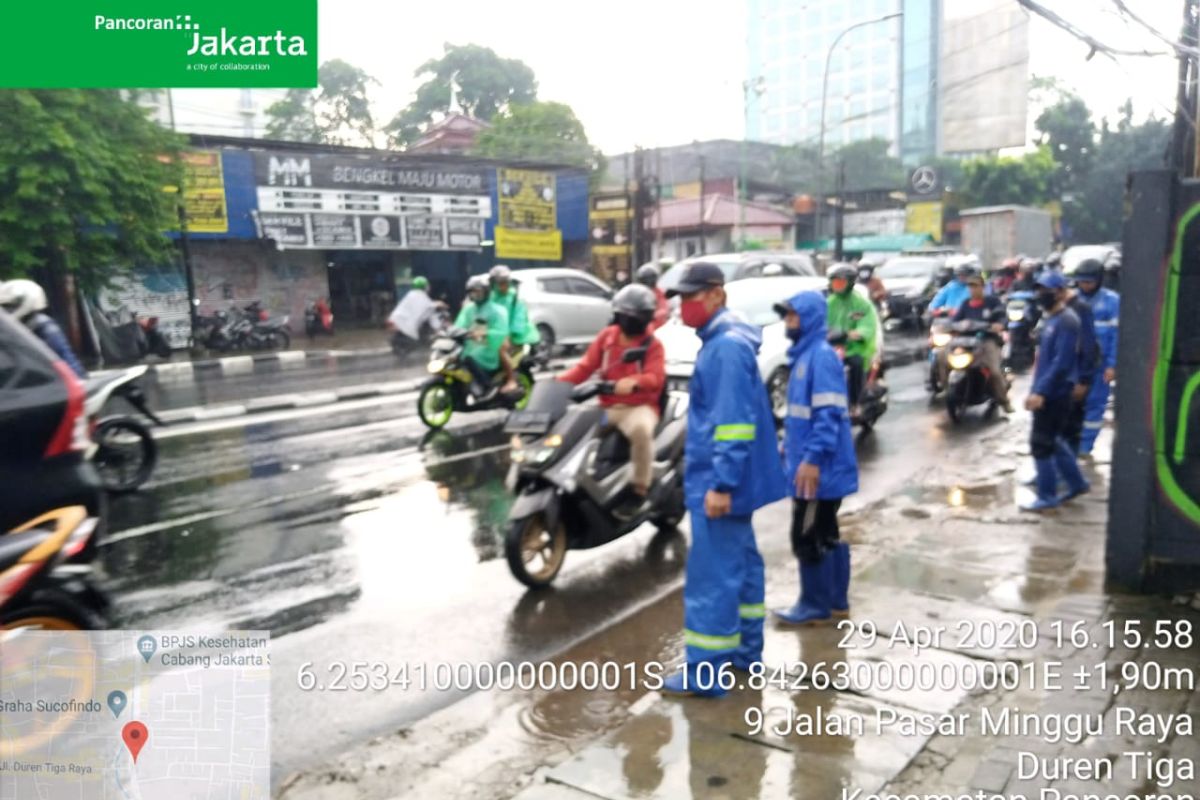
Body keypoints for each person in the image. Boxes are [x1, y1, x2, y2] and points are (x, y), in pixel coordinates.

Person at [661, 261, 787, 697]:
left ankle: (706, 674)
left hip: (723, 481)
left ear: (717, 294)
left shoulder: (726, 348)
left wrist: (720, 484)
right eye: (680, 297)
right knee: (743, 568)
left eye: (692, 296)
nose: (684, 305)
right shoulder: (726, 339)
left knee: (712, 576)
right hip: (738, 480)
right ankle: (745, 656)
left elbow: (733, 424)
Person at [772, 291, 859, 625]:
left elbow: (828, 415)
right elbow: (803, 417)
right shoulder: (806, 356)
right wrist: (790, 447)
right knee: (825, 531)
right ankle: (835, 601)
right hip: (817, 465)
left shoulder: (818, 358)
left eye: (792, 316)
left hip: (819, 471)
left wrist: (810, 459)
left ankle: (815, 605)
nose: (787, 322)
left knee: (806, 536)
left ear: (807, 318)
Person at [557, 285, 665, 516]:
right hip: (606, 405)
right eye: (626, 314)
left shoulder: (652, 344)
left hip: (638, 406)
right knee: (572, 431)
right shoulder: (607, 337)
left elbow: (656, 377)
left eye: (635, 316)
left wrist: (635, 381)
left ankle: (640, 489)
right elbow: (585, 367)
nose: (629, 320)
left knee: (641, 432)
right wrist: (558, 384)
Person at [1021, 272, 1090, 512]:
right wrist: (1034, 389)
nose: (1042, 295)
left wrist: (1041, 392)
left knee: (1041, 443)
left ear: (1060, 291)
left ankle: (1047, 495)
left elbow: (1061, 363)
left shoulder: (1067, 321)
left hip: (1056, 392)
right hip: (1047, 389)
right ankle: (1077, 483)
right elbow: (1043, 361)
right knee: (1054, 441)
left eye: (1047, 290)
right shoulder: (1051, 319)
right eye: (1039, 290)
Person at [1072, 258, 1120, 455]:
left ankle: (1085, 446)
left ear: (1099, 280)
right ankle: (1071, 442)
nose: (1085, 285)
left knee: (1095, 404)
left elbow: (1117, 336)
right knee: (1071, 404)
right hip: (1076, 363)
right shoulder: (1072, 299)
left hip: (1100, 365)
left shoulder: (1112, 301)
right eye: (1081, 281)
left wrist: (1112, 365)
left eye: (1089, 282)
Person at [951, 272, 1013, 412]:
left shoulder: (992, 301)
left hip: (987, 340)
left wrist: (999, 324)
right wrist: (951, 327)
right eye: (970, 287)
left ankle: (1004, 401)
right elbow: (955, 321)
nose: (973, 290)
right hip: (967, 342)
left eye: (975, 286)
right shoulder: (965, 304)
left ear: (983, 287)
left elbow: (1002, 317)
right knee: (945, 357)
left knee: (995, 371)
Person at [0, 279, 87, 378]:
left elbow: (48, 358)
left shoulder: (43, 326)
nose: (7, 310)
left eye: (9, 306)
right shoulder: (26, 325)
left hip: (67, 381)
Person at [825, 263, 878, 416]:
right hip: (832, 348)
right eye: (834, 282)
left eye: (841, 282)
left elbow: (867, 326)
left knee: (856, 364)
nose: (837, 286)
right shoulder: (829, 303)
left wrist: (854, 334)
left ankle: (855, 403)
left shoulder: (861, 303)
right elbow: (820, 322)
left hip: (855, 348)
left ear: (850, 283)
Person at [453, 275, 509, 399]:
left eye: (478, 291)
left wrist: (484, 333)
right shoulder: (468, 310)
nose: (475, 295)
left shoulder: (496, 310)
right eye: (472, 292)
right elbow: (459, 324)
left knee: (468, 357)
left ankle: (487, 386)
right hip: (471, 345)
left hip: (488, 348)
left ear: (486, 292)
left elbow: (501, 331)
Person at [489, 265, 541, 394]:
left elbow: (517, 322)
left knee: (502, 351)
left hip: (518, 337)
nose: (504, 286)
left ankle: (511, 380)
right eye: (500, 283)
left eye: (506, 282)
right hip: (496, 335)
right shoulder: (491, 298)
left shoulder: (515, 299)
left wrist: (508, 336)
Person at [1063, 276, 1100, 455]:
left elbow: (1088, 345)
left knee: (1070, 425)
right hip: (1060, 377)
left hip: (1074, 376)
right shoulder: (1058, 309)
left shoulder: (1080, 308)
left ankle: (1069, 471)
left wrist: (1083, 379)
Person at [386, 276, 442, 344]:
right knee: (431, 317)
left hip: (395, 319)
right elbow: (430, 309)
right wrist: (438, 329)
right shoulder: (422, 297)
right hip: (407, 326)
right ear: (425, 286)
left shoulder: (410, 294)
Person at [635, 263, 670, 331]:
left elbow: (664, 309)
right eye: (645, 279)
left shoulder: (659, 292)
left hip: (657, 328)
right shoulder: (637, 291)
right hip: (639, 327)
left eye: (650, 278)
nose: (648, 281)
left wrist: (651, 316)